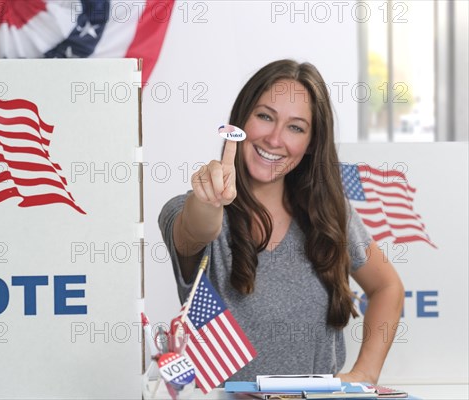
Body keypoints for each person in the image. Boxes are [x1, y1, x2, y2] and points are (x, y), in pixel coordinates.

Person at [158, 59, 405, 384]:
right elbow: (198, 228)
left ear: (311, 143)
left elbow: (388, 286)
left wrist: (365, 373)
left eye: (296, 127)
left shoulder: (330, 214)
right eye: (264, 116)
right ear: (241, 119)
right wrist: (209, 201)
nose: (275, 139)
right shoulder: (187, 208)